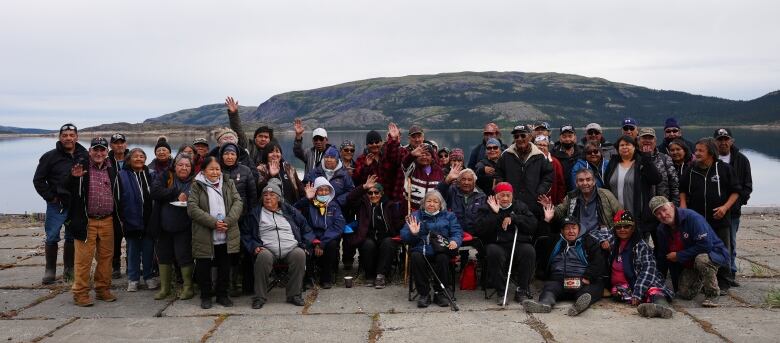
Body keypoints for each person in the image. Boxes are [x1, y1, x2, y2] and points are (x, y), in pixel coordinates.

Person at [679, 138, 741, 292]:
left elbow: (736, 191)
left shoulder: (725, 169)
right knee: (699, 250)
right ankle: (702, 281)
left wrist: (725, 207)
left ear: (711, 153)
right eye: (696, 150)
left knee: (722, 250)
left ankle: (724, 282)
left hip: (720, 218)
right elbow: (682, 190)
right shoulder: (690, 169)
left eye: (701, 150)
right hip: (698, 221)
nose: (697, 153)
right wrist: (684, 207)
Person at [66, 137, 121, 306]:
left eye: (102, 150)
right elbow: (67, 190)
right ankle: (80, 293)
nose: (99, 153)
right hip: (86, 221)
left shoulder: (112, 169)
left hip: (107, 220)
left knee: (106, 258)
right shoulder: (80, 168)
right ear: (90, 151)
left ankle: (102, 289)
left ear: (106, 152)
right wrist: (73, 178)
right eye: (95, 150)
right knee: (84, 259)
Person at [241, 179, 313, 308]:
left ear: (279, 198)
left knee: (300, 255)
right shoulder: (255, 214)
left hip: (291, 247)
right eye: (265, 195)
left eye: (272, 195)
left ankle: (294, 295)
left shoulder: (291, 211)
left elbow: (306, 230)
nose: (268, 198)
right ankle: (260, 297)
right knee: (263, 256)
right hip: (267, 249)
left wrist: (305, 246)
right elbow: (246, 234)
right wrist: (254, 246)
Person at [33, 123, 88, 284]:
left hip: (76, 203)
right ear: (60, 137)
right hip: (56, 204)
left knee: (71, 237)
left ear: (77, 137)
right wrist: (50, 197)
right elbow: (38, 180)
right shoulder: (49, 156)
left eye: (72, 135)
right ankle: (50, 270)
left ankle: (69, 269)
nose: (68, 138)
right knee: (52, 237)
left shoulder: (84, 155)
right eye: (65, 136)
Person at [651, 196, 729, 307]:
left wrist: (679, 255)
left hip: (713, 254)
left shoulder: (692, 218)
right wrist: (658, 285)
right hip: (690, 261)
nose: (663, 215)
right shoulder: (661, 230)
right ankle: (702, 279)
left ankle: (712, 294)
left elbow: (706, 245)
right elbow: (664, 257)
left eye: (664, 210)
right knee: (684, 293)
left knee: (702, 260)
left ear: (672, 206)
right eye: (658, 213)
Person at [188, 156, 244, 309]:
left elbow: (238, 202)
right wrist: (213, 223)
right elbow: (192, 208)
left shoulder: (228, 182)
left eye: (217, 169)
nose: (215, 172)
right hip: (204, 232)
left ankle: (222, 295)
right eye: (211, 169)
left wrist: (227, 221)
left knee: (224, 266)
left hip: (226, 231)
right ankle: (206, 296)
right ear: (204, 170)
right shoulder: (197, 185)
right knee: (204, 266)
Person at [523, 215, 606, 316]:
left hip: (583, 281)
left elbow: (598, 261)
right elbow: (540, 239)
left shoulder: (589, 241)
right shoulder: (554, 241)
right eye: (567, 228)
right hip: (559, 281)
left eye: (574, 228)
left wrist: (587, 277)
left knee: (590, 291)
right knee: (549, 289)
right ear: (562, 231)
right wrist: (546, 221)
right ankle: (544, 304)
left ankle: (578, 306)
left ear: (579, 229)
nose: (571, 231)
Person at [476, 183, 537, 303]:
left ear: (512, 196)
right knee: (494, 252)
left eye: (508, 195)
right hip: (497, 243)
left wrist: (515, 218)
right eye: (501, 195)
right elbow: (480, 230)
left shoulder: (520, 206)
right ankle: (501, 291)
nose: (505, 199)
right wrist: (495, 214)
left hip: (517, 242)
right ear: (495, 196)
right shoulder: (486, 207)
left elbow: (533, 225)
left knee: (529, 251)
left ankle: (522, 290)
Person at [607, 210, 674, 318]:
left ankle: (663, 308)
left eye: (626, 226)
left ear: (633, 228)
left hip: (642, 283)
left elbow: (648, 269)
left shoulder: (641, 245)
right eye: (619, 227)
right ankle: (647, 305)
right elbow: (595, 234)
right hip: (624, 287)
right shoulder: (614, 242)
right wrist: (602, 242)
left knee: (653, 291)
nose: (622, 229)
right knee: (616, 292)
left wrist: (638, 292)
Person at [401, 190, 463, 308]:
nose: (431, 204)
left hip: (441, 248)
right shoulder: (415, 216)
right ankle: (424, 294)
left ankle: (439, 293)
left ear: (441, 205)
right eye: (429, 201)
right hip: (422, 249)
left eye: (435, 202)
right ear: (424, 203)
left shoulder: (449, 216)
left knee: (443, 258)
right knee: (416, 256)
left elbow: (457, 232)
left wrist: (455, 241)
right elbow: (404, 236)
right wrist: (414, 234)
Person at [345, 175, 406, 288]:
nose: (373, 195)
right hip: (368, 235)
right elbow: (350, 198)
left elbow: (397, 223)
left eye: (376, 192)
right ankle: (369, 276)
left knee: (388, 243)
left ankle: (381, 276)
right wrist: (363, 187)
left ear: (381, 194)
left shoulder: (389, 205)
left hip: (386, 236)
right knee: (368, 244)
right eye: (370, 193)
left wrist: (405, 221)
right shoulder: (362, 205)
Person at [150, 153, 196, 301]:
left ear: (191, 168)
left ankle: (188, 288)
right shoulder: (167, 176)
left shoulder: (196, 181)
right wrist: (175, 193)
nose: (184, 168)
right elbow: (155, 192)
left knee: (184, 256)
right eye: (180, 165)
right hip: (164, 225)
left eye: (187, 165)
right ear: (174, 166)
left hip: (185, 225)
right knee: (163, 256)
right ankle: (165, 288)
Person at [713, 128, 752, 285]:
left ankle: (731, 273)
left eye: (726, 139)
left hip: (733, 212)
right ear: (714, 142)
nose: (723, 142)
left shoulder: (742, 160)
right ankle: (714, 274)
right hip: (712, 211)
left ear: (731, 141)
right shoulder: (710, 159)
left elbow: (747, 186)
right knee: (714, 243)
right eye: (720, 139)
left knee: (731, 243)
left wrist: (737, 203)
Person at [603, 135, 662, 238]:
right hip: (617, 214)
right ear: (617, 148)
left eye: (628, 144)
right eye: (622, 145)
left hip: (637, 214)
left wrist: (647, 160)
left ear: (635, 147)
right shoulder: (613, 163)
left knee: (638, 244)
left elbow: (656, 179)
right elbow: (607, 185)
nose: (624, 147)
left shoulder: (641, 162)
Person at [219, 142, 258, 296]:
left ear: (237, 155)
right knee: (228, 253)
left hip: (243, 219)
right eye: (226, 154)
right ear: (222, 155)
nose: (229, 157)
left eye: (232, 154)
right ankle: (229, 285)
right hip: (222, 220)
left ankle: (247, 285)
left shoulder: (245, 170)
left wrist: (250, 215)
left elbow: (252, 196)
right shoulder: (217, 170)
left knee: (246, 252)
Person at [118, 148, 158, 292]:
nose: (139, 159)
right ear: (129, 159)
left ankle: (148, 277)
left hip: (149, 220)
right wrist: (122, 219)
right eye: (135, 157)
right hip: (131, 220)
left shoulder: (151, 174)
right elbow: (117, 199)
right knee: (133, 250)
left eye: (142, 156)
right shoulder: (122, 175)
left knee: (148, 250)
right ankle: (133, 279)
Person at [295, 177, 345, 289]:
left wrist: (321, 243)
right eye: (320, 190)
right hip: (311, 236)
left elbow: (338, 226)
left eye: (326, 190)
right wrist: (306, 199)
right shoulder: (308, 204)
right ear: (315, 191)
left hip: (327, 237)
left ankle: (326, 278)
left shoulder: (334, 205)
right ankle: (308, 278)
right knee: (305, 247)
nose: (323, 192)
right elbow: (294, 211)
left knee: (331, 245)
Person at [495, 124, 553, 217]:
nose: (519, 138)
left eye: (522, 135)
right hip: (511, 203)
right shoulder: (506, 155)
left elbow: (548, 176)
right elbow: (498, 174)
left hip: (533, 203)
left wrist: (539, 192)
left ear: (530, 137)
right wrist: (504, 191)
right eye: (516, 136)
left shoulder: (540, 156)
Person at [225, 96, 275, 166]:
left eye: (266, 137)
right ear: (255, 138)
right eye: (260, 136)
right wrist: (234, 114)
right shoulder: (248, 145)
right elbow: (238, 131)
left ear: (270, 140)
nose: (263, 139)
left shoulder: (273, 152)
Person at [353, 124, 402, 194]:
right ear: (367, 145)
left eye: (377, 142)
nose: (374, 144)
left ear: (381, 142)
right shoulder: (361, 159)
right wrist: (366, 166)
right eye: (370, 142)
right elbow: (356, 179)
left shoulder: (387, 156)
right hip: (370, 196)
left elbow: (395, 155)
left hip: (388, 194)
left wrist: (393, 139)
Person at [638, 128, 680, 206]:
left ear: (655, 140)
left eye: (650, 138)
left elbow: (674, 185)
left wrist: (675, 205)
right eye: (644, 138)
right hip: (640, 206)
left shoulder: (665, 158)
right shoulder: (634, 159)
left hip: (662, 207)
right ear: (638, 140)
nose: (647, 140)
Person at [398, 142, 445, 211]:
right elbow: (404, 164)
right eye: (421, 154)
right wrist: (411, 155)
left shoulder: (439, 171)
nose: (424, 157)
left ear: (432, 157)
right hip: (411, 213)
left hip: (432, 213)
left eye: (427, 154)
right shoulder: (412, 168)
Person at [108, 133, 129, 280]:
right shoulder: (106, 160)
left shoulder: (133, 159)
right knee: (115, 238)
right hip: (113, 206)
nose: (119, 145)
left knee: (131, 237)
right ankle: (115, 266)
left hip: (130, 205)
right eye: (116, 143)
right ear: (111, 145)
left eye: (122, 142)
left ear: (126, 144)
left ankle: (131, 266)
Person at [306, 146, 355, 211]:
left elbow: (351, 191)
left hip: (337, 210)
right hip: (315, 209)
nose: (328, 160)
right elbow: (305, 186)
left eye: (332, 157)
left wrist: (337, 202)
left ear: (337, 160)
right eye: (326, 157)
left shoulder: (344, 174)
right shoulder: (315, 172)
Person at [535, 135, 566, 205]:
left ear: (548, 148)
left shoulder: (555, 162)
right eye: (539, 144)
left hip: (551, 202)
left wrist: (559, 203)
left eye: (544, 145)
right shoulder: (530, 161)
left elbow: (561, 185)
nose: (542, 147)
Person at [551, 124, 582, 191]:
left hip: (579, 191)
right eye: (564, 136)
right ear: (560, 138)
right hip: (560, 192)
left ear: (575, 138)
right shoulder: (552, 154)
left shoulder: (582, 154)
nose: (567, 139)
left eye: (570, 136)